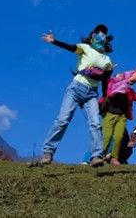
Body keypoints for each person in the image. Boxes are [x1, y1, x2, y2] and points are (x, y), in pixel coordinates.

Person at [39, 24, 115, 167]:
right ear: (92, 36)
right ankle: (48, 152)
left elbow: (105, 80)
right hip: (76, 88)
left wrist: (105, 97)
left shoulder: (107, 60)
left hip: (92, 94)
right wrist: (54, 41)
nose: (101, 35)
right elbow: (70, 47)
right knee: (63, 120)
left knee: (96, 124)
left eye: (103, 34)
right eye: (98, 32)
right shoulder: (85, 48)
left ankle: (96, 156)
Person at [99, 71, 136, 164]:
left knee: (119, 137)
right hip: (109, 115)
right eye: (118, 75)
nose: (120, 76)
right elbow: (104, 82)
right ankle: (101, 156)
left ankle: (114, 158)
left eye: (122, 75)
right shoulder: (110, 87)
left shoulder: (129, 91)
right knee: (107, 137)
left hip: (122, 117)